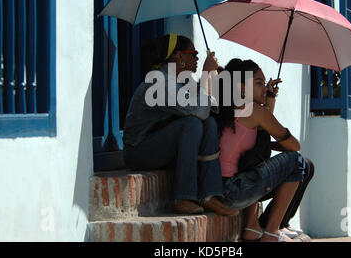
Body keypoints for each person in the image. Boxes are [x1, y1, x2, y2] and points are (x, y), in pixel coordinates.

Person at [122, 34, 237, 216]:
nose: (197, 58)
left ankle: (209, 195)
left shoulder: (181, 81)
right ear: (178, 56)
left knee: (208, 123)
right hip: (139, 151)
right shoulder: (159, 81)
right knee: (191, 124)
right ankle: (183, 197)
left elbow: (205, 109)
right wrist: (206, 74)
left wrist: (213, 78)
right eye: (193, 53)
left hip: (160, 148)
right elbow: (195, 110)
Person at [214, 58, 307, 242]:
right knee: (296, 161)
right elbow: (294, 146)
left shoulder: (226, 108)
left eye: (264, 83)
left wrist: (269, 100)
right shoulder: (254, 111)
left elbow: (262, 137)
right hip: (235, 191)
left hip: (220, 189)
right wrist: (268, 107)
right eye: (259, 83)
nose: (265, 88)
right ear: (241, 88)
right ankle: (272, 231)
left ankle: (253, 227)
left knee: (255, 156)